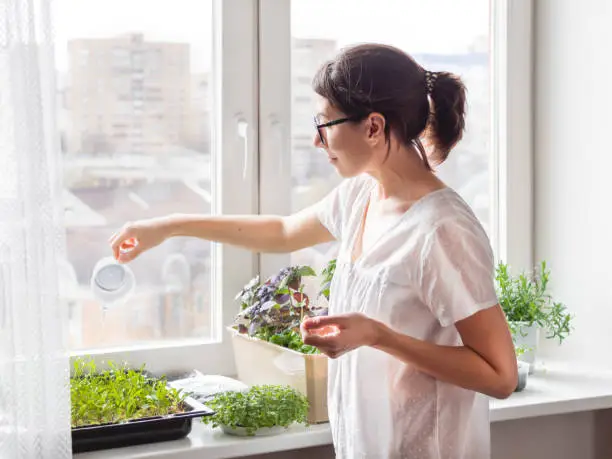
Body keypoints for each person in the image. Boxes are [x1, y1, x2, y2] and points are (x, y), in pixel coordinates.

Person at [110, 43, 517, 459]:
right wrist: (169, 226)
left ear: (373, 127)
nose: (317, 140)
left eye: (325, 123)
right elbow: (284, 231)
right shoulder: (362, 194)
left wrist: (379, 336)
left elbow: (500, 374)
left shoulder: (443, 230)